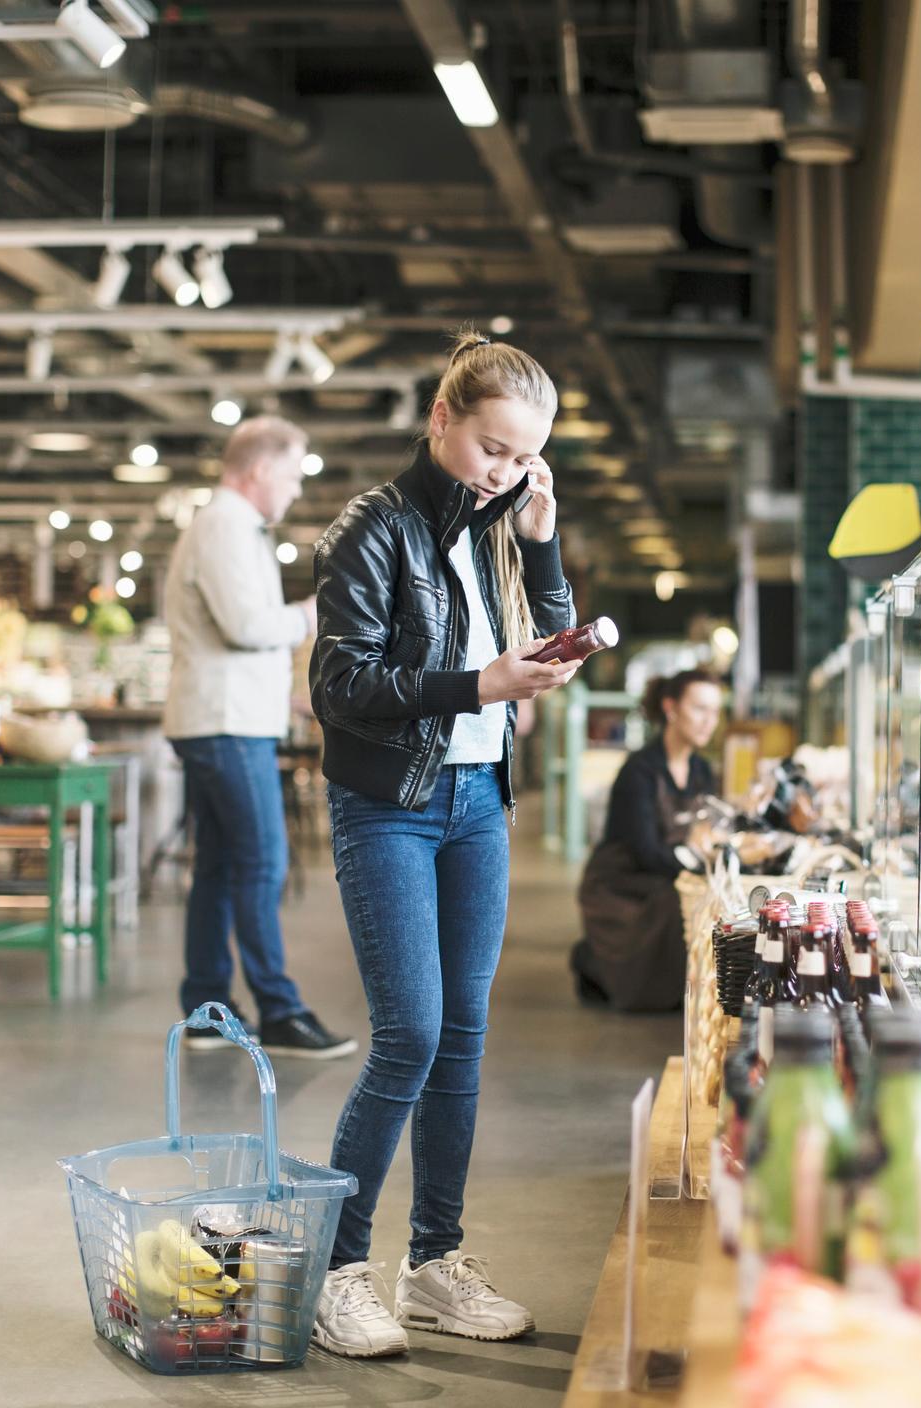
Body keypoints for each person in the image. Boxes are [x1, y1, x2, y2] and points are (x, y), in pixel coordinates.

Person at [307, 330, 580, 1358]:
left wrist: (542, 539)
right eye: (491, 449)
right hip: (389, 805)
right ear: (441, 420)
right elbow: (337, 686)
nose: (504, 470)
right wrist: (481, 687)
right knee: (410, 1036)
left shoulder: (496, 525)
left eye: (522, 457)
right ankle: (338, 1272)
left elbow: (544, 641)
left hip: (478, 801)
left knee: (463, 1034)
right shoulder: (369, 532)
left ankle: (433, 1264)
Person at [162, 416, 354, 1059]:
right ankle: (279, 1010)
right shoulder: (224, 525)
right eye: (294, 475)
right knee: (263, 863)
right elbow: (246, 625)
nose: (297, 490)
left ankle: (206, 1010)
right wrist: (311, 611)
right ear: (261, 469)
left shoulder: (229, 527)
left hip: (224, 719)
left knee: (219, 868)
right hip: (224, 725)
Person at [571, 670, 723, 1012]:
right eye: (699, 708)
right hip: (625, 883)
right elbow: (644, 851)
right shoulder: (639, 771)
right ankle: (594, 963)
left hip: (668, 868)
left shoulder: (702, 770)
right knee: (681, 902)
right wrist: (695, 861)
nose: (708, 721)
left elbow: (706, 828)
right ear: (671, 708)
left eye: (714, 712)